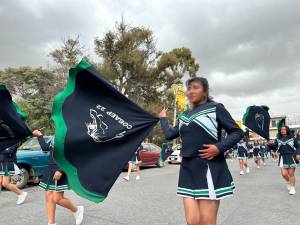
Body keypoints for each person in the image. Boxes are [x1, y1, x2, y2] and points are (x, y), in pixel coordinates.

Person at [159, 77, 243, 225]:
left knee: (207, 222)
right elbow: (169, 134)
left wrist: (218, 147)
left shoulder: (216, 108)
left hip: (208, 166)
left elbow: (237, 132)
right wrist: (163, 119)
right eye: (188, 88)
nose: (190, 91)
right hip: (187, 169)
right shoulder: (184, 115)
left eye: (195, 87)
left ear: (205, 91)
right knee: (192, 222)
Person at [32, 130, 84, 225]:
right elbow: (45, 148)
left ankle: (77, 210)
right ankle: (51, 223)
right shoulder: (55, 137)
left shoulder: (69, 136)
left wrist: (61, 170)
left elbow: (71, 155)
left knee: (57, 199)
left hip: (60, 170)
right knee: (48, 196)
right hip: (50, 169)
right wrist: (39, 136)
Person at [0, 120, 27, 204]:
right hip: (1, 162)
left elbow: (9, 151)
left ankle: (22, 193)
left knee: (5, 183)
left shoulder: (13, 139)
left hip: (8, 162)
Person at [268, 126, 300, 195]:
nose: (283, 130)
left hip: (292, 157)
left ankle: (292, 188)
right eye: (281, 129)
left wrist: (298, 154)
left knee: (291, 174)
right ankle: (289, 182)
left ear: (287, 130)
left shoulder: (292, 138)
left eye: (284, 129)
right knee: (284, 174)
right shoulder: (278, 139)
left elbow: (298, 147)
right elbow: (275, 148)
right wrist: (270, 144)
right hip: (282, 157)